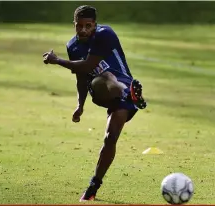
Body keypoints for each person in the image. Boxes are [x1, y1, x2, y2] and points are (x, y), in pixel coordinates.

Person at [42, 5, 147, 202]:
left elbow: (89, 65)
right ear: (74, 25)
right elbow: (82, 76)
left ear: (95, 25)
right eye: (79, 26)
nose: (83, 30)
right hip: (100, 92)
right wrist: (80, 105)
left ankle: (93, 186)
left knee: (110, 139)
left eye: (88, 26)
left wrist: (57, 61)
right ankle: (130, 94)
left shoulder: (105, 34)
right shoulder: (73, 46)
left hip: (122, 90)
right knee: (101, 77)